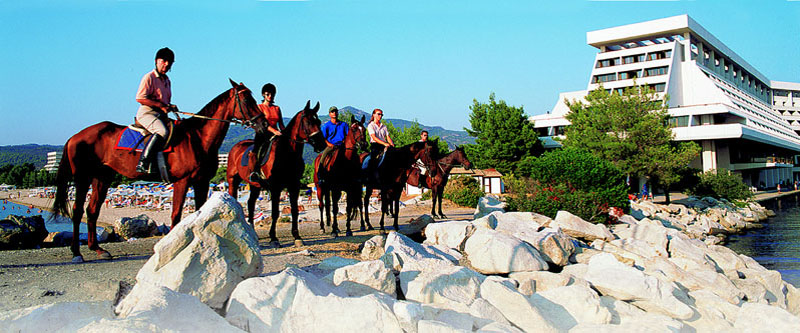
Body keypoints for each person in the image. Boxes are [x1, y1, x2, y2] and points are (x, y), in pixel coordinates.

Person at [136, 47, 177, 173]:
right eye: (163, 61)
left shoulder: (167, 80)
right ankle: (143, 162)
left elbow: (164, 101)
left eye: (169, 62)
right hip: (147, 113)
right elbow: (140, 98)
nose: (166, 64)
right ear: (156, 61)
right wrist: (160, 105)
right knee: (162, 131)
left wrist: (170, 106)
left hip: (160, 115)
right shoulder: (149, 77)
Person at [248, 83, 284, 183]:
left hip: (276, 134)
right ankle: (254, 172)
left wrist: (285, 133)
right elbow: (263, 124)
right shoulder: (259, 107)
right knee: (257, 150)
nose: (270, 96)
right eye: (268, 94)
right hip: (263, 134)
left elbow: (281, 124)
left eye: (272, 94)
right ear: (263, 95)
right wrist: (274, 131)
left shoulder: (277, 108)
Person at [364, 108, 394, 182]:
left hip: (384, 145)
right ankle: (369, 176)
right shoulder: (371, 125)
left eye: (381, 114)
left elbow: (388, 137)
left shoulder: (384, 126)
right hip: (375, 146)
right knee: (373, 159)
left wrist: (392, 144)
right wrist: (384, 143)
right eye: (378, 114)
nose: (380, 116)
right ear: (374, 115)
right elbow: (374, 137)